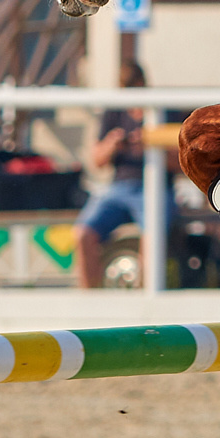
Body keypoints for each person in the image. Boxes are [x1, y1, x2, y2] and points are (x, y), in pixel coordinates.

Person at [72, 62, 179, 286]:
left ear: (142, 84)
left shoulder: (162, 111)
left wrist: (152, 145)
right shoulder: (114, 111)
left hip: (156, 187)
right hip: (118, 188)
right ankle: (90, 297)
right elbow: (96, 160)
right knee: (82, 234)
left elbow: (183, 162)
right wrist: (112, 145)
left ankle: (147, 297)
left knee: (152, 238)